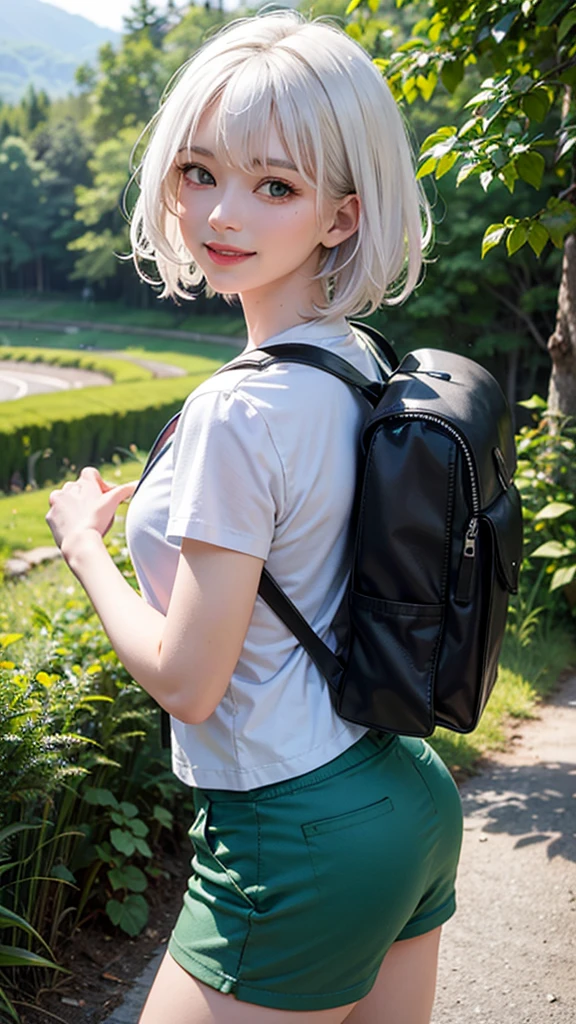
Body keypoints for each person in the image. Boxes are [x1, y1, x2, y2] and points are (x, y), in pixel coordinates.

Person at [46, 12, 463, 1023]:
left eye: (274, 185)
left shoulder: (237, 409)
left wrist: (81, 545)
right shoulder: (357, 356)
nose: (221, 213)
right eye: (199, 171)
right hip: (402, 789)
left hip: (293, 825)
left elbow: (191, 681)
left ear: (341, 216)